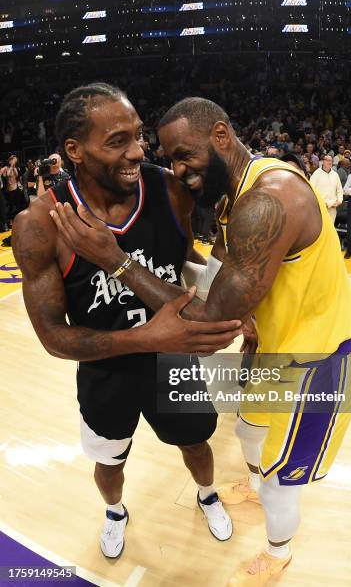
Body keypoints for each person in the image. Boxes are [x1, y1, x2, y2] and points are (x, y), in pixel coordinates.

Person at [52, 96, 351, 586]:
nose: (176, 171)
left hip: (317, 362)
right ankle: (256, 481)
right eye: (169, 158)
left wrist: (116, 259)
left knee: (282, 484)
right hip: (271, 347)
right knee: (247, 434)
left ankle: (277, 552)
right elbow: (215, 277)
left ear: (220, 136)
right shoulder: (232, 193)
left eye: (184, 155)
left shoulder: (268, 200)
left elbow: (206, 320)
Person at [12, 84, 243, 560]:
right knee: (109, 459)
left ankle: (206, 494)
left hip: (173, 364)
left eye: (138, 136)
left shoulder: (171, 190)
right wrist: (145, 337)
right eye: (117, 140)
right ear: (74, 150)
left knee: (197, 442)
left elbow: (185, 259)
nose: (137, 151)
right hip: (106, 371)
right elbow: (54, 337)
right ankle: (115, 511)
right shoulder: (39, 224)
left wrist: (225, 303)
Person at [310, 154, 343, 222]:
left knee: (330, 229)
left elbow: (339, 190)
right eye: (327, 160)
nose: (329, 162)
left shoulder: (335, 175)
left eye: (331, 160)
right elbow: (311, 191)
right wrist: (323, 203)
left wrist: (339, 201)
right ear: (323, 161)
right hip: (320, 207)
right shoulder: (316, 174)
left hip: (333, 207)